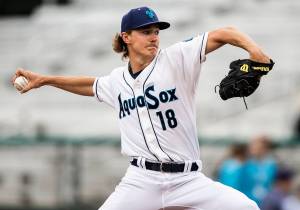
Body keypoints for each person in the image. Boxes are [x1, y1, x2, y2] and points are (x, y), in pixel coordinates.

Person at [12, 6, 272, 210]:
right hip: (141, 180)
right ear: (126, 37)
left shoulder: (177, 58)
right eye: (146, 31)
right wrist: (45, 80)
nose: (154, 37)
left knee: (247, 207)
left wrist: (256, 53)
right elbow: (91, 85)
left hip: (188, 179)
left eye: (156, 31)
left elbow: (225, 32)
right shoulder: (117, 80)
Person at [241, 135, 278, 206]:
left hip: (267, 203)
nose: (255, 150)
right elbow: (241, 186)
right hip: (249, 202)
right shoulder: (245, 166)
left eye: (259, 148)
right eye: (253, 147)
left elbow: (273, 184)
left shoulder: (272, 165)